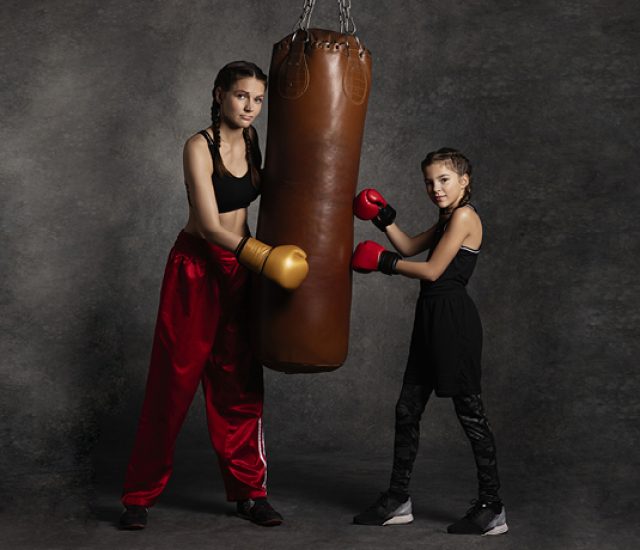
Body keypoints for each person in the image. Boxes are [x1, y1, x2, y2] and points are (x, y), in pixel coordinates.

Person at [119, 61, 308, 530]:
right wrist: (264, 257)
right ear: (220, 93)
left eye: (259, 100)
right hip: (197, 271)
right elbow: (207, 224)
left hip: (241, 274)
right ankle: (138, 497)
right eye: (242, 96)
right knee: (172, 384)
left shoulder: (252, 141)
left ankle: (250, 492)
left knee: (240, 385)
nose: (251, 107)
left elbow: (278, 192)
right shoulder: (198, 146)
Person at [350, 148, 507, 536]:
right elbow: (408, 248)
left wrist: (383, 263)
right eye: (429, 181)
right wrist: (384, 218)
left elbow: (434, 271)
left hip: (454, 324)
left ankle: (492, 506)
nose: (435, 188)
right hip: (430, 321)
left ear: (464, 181)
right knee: (407, 409)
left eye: (444, 180)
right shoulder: (447, 218)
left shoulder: (466, 216)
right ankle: (398, 499)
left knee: (471, 415)